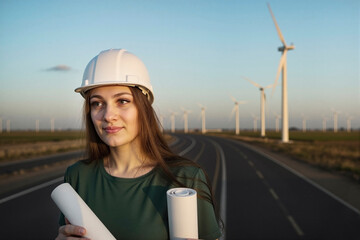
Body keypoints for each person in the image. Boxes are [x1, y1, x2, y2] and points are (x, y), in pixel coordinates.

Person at [55, 49, 222, 240]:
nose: (108, 116)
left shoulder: (185, 180)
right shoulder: (77, 177)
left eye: (123, 101)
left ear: (143, 108)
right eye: (97, 103)